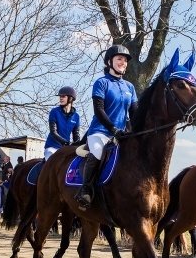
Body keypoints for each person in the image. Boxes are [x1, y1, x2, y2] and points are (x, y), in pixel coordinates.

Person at [75, 44, 138, 210]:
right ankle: (86, 189)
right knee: (97, 151)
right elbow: (99, 110)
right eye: (119, 59)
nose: (123, 62)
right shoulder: (101, 83)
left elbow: (134, 113)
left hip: (122, 134)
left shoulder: (129, 87)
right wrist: (112, 128)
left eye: (125, 60)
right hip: (101, 132)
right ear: (110, 61)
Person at [44, 86, 81, 160]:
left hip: (65, 150)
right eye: (60, 97)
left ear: (71, 98)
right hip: (52, 147)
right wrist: (65, 143)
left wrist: (79, 145)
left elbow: (76, 137)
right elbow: (53, 132)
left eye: (63, 96)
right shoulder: (54, 112)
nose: (60, 98)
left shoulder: (76, 117)